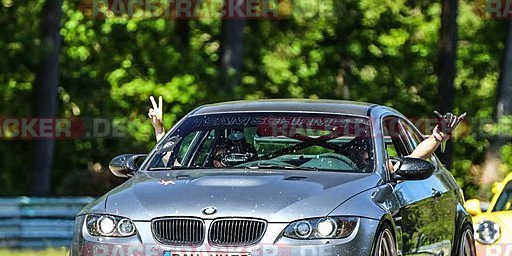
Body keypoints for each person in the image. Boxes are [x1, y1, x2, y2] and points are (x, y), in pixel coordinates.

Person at [147, 96, 464, 168]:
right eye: (225, 154)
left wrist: (437, 137)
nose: (228, 156)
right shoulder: (196, 174)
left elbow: (407, 160)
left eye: (232, 151)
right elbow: (167, 170)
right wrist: (162, 131)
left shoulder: (373, 171)